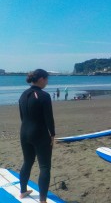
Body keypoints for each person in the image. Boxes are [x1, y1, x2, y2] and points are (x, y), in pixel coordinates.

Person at [19, 69, 55, 203]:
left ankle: (23, 192)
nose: (47, 82)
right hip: (40, 134)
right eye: (46, 79)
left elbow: (22, 117)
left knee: (27, 162)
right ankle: (42, 200)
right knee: (45, 167)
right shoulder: (44, 96)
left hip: (24, 133)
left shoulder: (23, 95)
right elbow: (49, 119)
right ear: (41, 79)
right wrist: (52, 135)